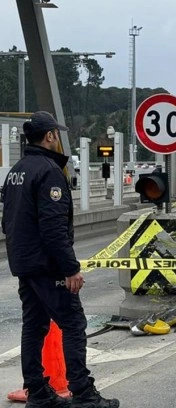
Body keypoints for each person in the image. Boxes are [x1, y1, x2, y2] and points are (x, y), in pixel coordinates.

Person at [1, 111, 119, 408]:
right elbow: (53, 228)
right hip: (46, 265)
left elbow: (9, 220)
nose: (60, 140)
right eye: (58, 134)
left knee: (35, 325)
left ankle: (38, 393)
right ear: (50, 136)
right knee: (73, 323)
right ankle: (83, 392)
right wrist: (70, 268)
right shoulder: (49, 171)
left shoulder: (17, 170)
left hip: (24, 263)